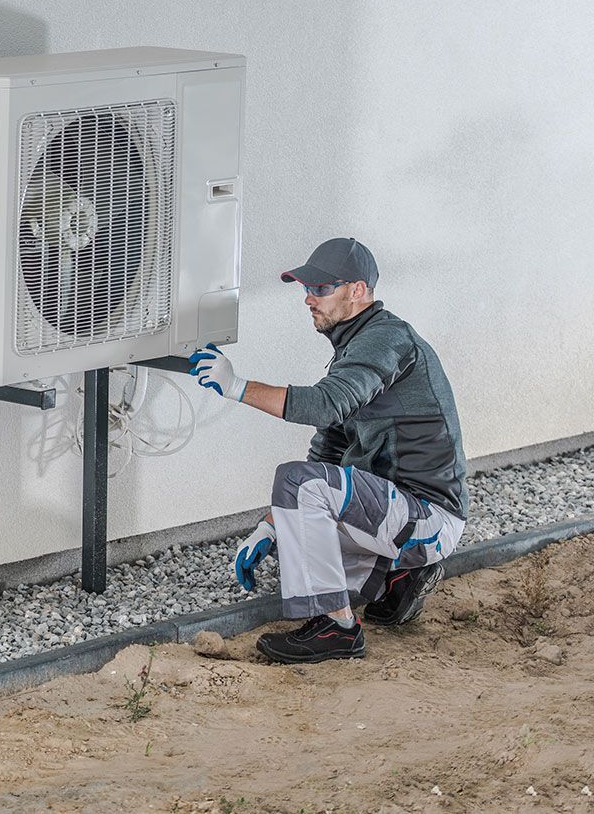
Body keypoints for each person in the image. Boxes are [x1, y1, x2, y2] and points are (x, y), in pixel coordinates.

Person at [188, 237, 467, 664]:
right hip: (397, 512)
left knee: (296, 486)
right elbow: (329, 446)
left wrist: (235, 387)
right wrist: (271, 524)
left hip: (427, 515)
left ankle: (337, 629)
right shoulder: (355, 346)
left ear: (357, 291)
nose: (308, 300)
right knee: (294, 533)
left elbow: (325, 404)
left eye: (321, 290)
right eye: (307, 289)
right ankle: (398, 581)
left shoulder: (385, 339)